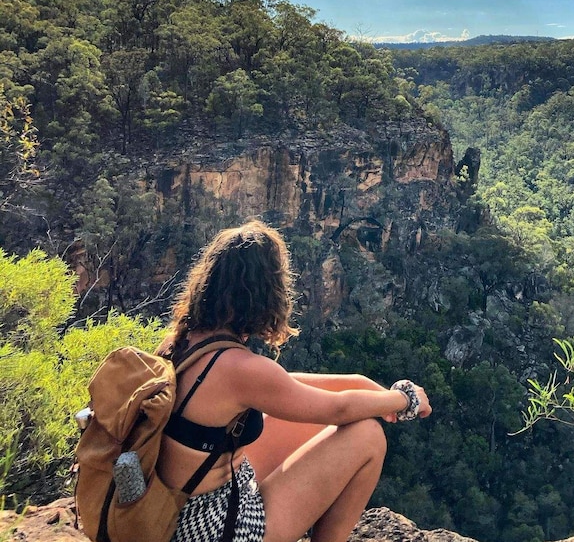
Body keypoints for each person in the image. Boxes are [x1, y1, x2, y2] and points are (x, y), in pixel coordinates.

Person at [155, 220, 432, 542]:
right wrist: (405, 398)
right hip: (214, 531)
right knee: (367, 435)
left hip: (175, 512)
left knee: (286, 420)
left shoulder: (185, 343)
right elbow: (338, 411)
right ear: (265, 292)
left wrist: (361, 382)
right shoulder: (243, 369)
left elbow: (287, 386)